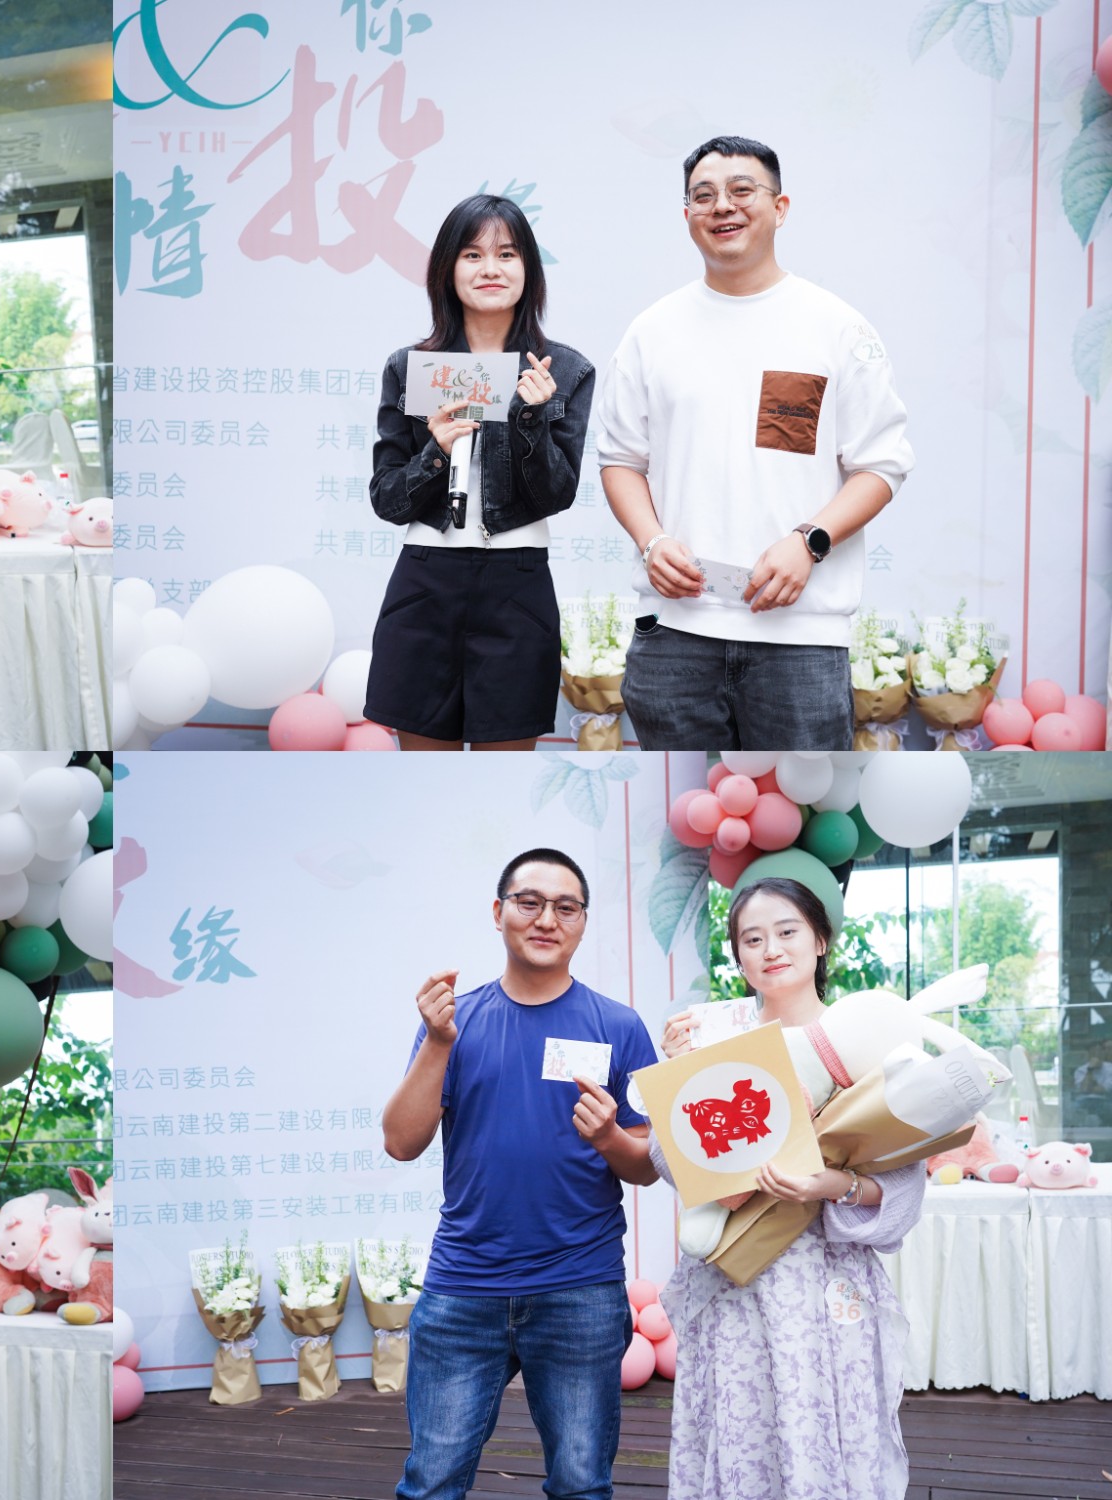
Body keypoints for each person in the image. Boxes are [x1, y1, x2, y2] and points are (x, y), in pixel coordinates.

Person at [596, 136, 915, 750]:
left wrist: (810, 542)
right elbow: (620, 460)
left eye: (742, 190)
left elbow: (881, 465)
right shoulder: (652, 331)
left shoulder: (835, 327)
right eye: (703, 195)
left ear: (780, 207)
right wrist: (651, 540)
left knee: (804, 802)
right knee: (685, 799)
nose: (722, 206)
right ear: (687, 214)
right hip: (675, 635)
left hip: (800, 639)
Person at [381, 849, 657, 1500]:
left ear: (583, 922)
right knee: (431, 1482)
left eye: (566, 907)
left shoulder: (619, 1026)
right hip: (463, 1287)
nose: (546, 919)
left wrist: (610, 1137)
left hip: (581, 1287)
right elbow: (400, 1142)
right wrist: (438, 1043)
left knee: (582, 1484)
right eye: (529, 902)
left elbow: (647, 1165)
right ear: (498, 911)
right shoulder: (455, 1023)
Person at [642, 877, 924, 1498]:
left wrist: (831, 1185)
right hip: (737, 1279)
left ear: (820, 941)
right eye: (752, 939)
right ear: (738, 958)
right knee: (742, 1432)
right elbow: (668, 1159)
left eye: (787, 931)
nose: (771, 949)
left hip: (826, 1281)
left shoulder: (865, 1040)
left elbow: (905, 1182)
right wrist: (677, 1079)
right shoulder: (714, 1039)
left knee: (826, 1428)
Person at [365, 195, 595, 750]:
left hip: (517, 585)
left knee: (506, 761)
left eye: (507, 254)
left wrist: (530, 421)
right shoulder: (410, 367)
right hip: (424, 583)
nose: (490, 268)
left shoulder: (563, 370)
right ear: (447, 269)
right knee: (425, 768)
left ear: (528, 269)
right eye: (472, 255)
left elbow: (557, 494)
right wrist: (436, 451)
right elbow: (387, 500)